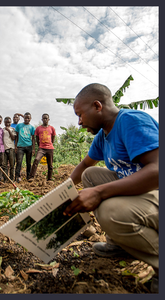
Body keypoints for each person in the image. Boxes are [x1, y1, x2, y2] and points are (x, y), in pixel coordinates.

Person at [64, 83, 159, 292]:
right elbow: (84, 166)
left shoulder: (131, 121)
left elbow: (158, 170)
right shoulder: (103, 134)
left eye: (80, 115)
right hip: (144, 190)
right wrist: (62, 191)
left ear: (97, 106)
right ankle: (120, 243)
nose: (79, 123)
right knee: (91, 175)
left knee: (110, 212)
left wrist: (99, 192)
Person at [28, 114, 56, 182]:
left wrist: (50, 144)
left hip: (50, 148)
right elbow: (37, 138)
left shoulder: (52, 128)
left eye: (46, 118)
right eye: (44, 118)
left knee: (50, 164)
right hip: (41, 148)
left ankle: (49, 178)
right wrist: (40, 145)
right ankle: (31, 177)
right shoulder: (38, 128)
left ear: (48, 119)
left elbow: (53, 137)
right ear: (42, 119)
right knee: (36, 160)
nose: (45, 120)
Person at [14, 112, 35, 182]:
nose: (26, 119)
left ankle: (28, 176)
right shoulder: (19, 126)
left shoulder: (32, 127)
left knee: (28, 163)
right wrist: (16, 146)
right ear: (24, 118)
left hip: (29, 146)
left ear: (30, 119)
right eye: (25, 118)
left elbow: (33, 138)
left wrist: (34, 149)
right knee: (19, 162)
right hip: (20, 147)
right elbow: (16, 136)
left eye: (28, 118)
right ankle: (17, 177)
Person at [2, 116, 16, 182]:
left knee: (12, 165)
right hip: (4, 149)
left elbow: (13, 138)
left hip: (11, 148)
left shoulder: (13, 129)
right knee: (4, 165)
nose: (8, 124)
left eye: (9, 122)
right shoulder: (2, 130)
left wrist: (9, 130)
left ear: (11, 122)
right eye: (6, 122)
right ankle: (5, 178)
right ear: (4, 122)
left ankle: (11, 178)